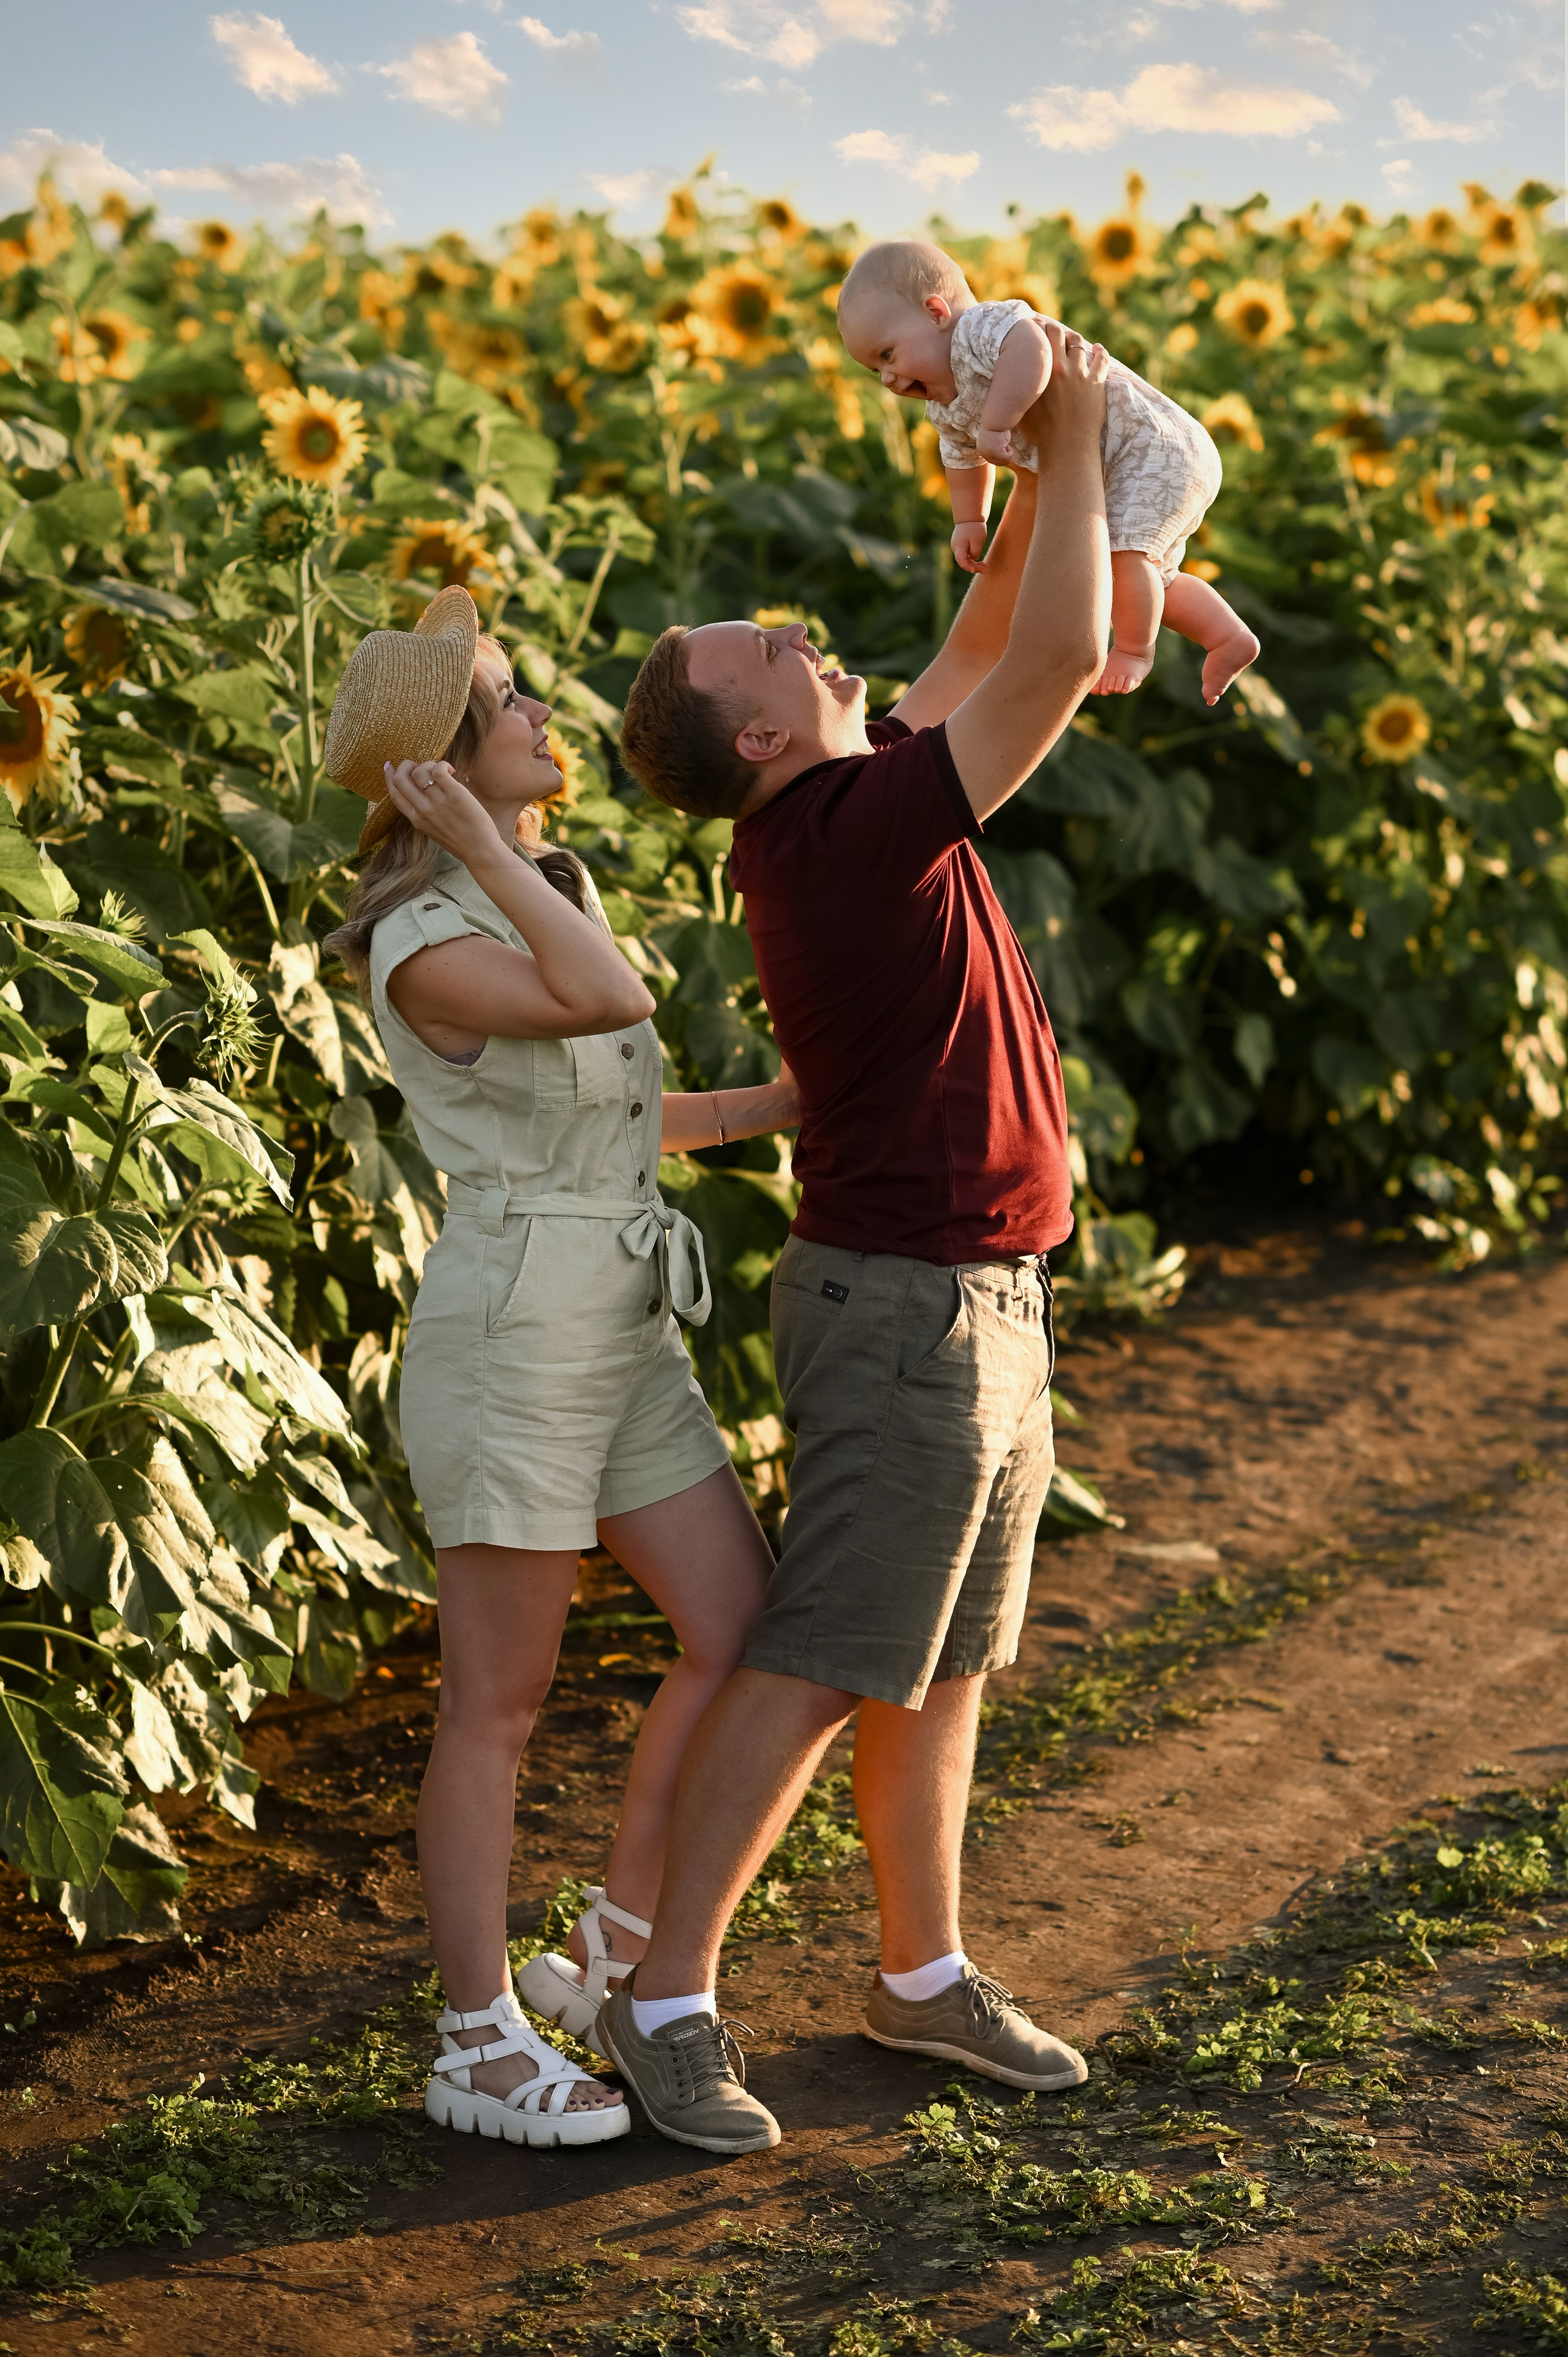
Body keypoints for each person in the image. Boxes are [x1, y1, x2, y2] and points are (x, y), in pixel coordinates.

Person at [593, 322, 1114, 2157]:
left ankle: (915, 1975)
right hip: (907, 1314)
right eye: (774, 653)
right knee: (823, 1657)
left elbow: (983, 639)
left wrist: (1034, 457)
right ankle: (659, 2001)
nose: (807, 637)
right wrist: (1059, 421)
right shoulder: (831, 830)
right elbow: (1048, 656)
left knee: (942, 1655)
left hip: (973, 1300)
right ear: (752, 733)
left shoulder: (855, 788)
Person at [322, 587, 796, 2149]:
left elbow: (612, 1105)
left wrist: (779, 1106)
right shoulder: (418, 938)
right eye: (508, 698)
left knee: (737, 1623)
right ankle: (475, 2036)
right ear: (443, 763)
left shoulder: (538, 887)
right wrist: (475, 853)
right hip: (515, 1323)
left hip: (618, 1314)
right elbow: (610, 996)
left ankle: (606, 1947)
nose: (540, 713)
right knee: (497, 1703)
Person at [835, 238, 1259, 705]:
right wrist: (970, 520)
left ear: (937, 312)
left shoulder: (978, 328)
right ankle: (1226, 636)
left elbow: (1031, 349)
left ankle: (1135, 651)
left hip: (1150, 447)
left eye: (888, 354)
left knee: (1123, 560)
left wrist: (997, 422)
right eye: (875, 371)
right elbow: (961, 458)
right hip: (1121, 467)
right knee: (1138, 575)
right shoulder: (945, 406)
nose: (889, 380)